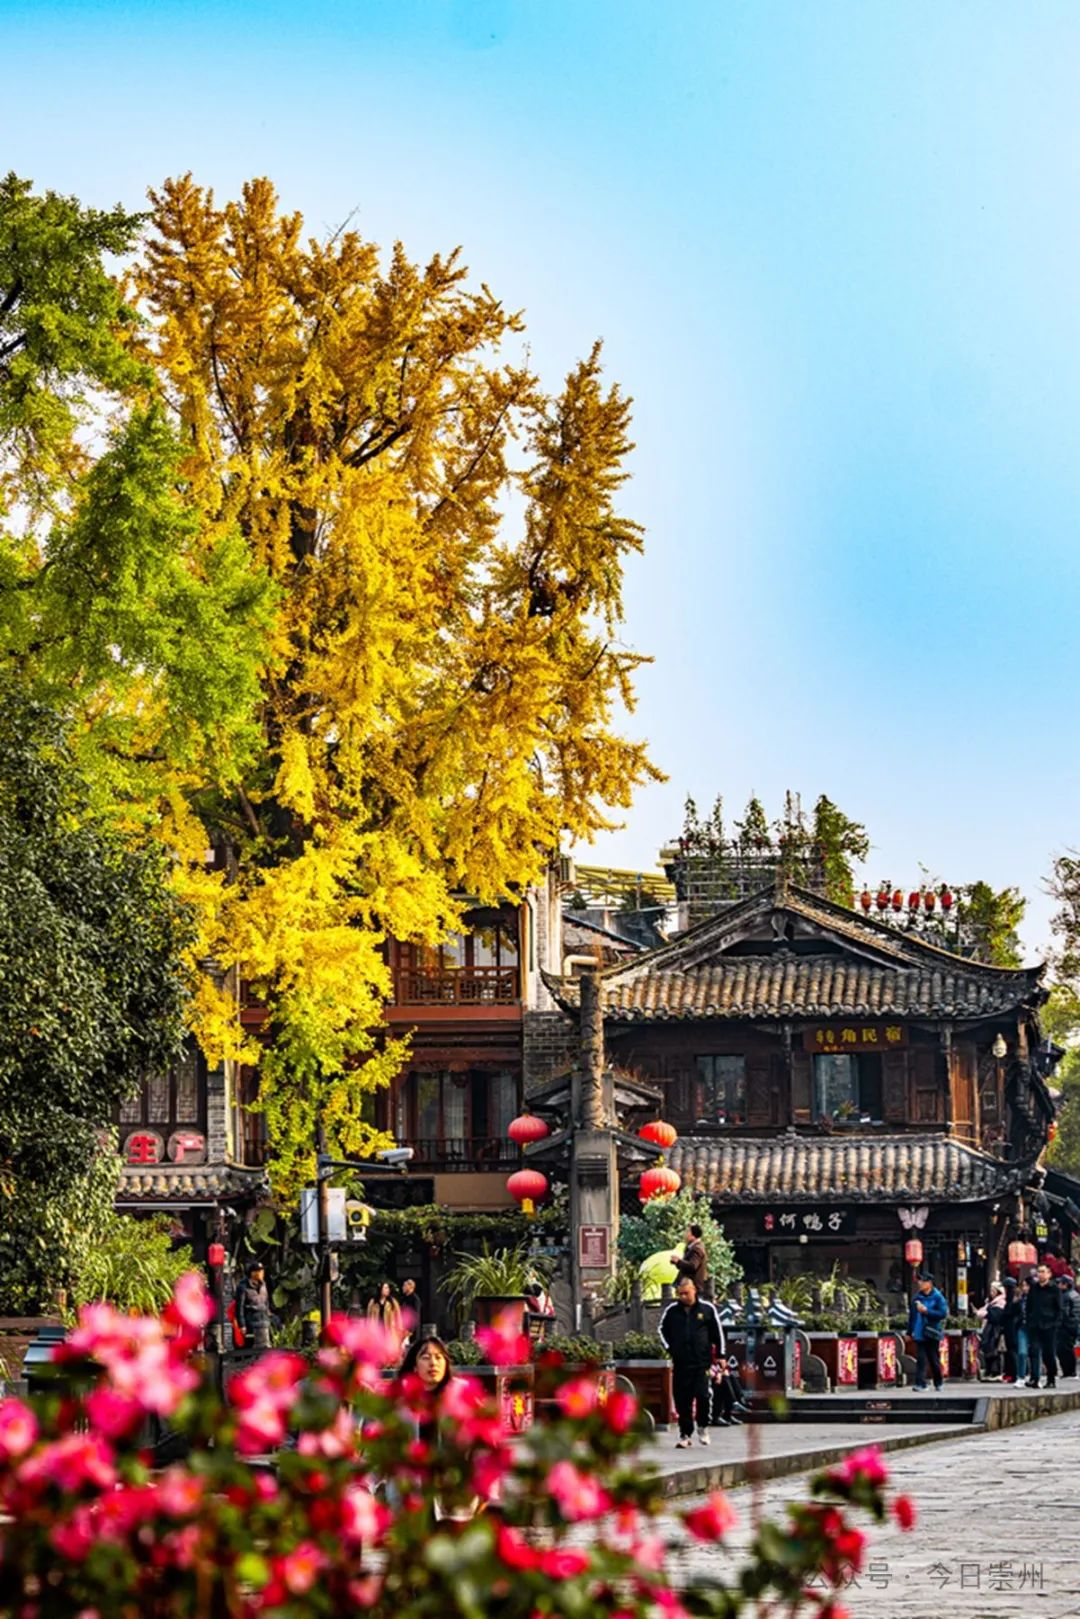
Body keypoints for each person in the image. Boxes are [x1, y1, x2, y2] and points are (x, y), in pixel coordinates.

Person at [659, 1276, 724, 1448]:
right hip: (681, 1362)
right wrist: (671, 1348)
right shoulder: (672, 1311)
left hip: (702, 1362)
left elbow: (717, 1334)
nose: (683, 1297)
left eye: (686, 1293)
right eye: (680, 1294)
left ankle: (702, 1426)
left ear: (694, 1290)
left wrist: (721, 1355)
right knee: (682, 1399)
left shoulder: (707, 1309)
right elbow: (662, 1330)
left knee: (703, 1395)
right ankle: (685, 1433)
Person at [1024, 1262, 1062, 1388]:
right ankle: (1035, 1378)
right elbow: (1029, 1306)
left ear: (1049, 1274)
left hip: (1049, 1326)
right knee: (1034, 1351)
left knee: (1048, 1354)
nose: (1040, 1274)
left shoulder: (1054, 1289)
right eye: (1039, 1272)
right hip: (1035, 1325)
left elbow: (1059, 1308)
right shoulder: (1034, 1288)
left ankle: (1051, 1379)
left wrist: (1055, 1323)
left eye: (1043, 1272)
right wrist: (1029, 1320)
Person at [909, 1273, 948, 1391]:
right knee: (920, 1359)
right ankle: (920, 1384)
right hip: (919, 1332)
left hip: (932, 1332)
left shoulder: (938, 1297)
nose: (920, 1283)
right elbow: (912, 1317)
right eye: (919, 1281)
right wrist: (909, 1331)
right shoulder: (916, 1298)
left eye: (923, 1281)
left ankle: (938, 1382)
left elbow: (942, 1313)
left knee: (933, 1358)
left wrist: (927, 1311)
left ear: (929, 1283)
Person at [235, 1260, 273, 1350]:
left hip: (264, 1319)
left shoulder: (263, 1285)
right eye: (259, 1271)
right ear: (253, 1273)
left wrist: (268, 1313)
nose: (262, 1273)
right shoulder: (243, 1287)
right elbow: (239, 1308)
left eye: (262, 1271)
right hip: (251, 1320)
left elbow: (266, 1302)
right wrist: (242, 1325)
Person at [975, 1283, 1006, 1380]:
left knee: (994, 1351)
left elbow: (994, 1316)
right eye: (991, 1290)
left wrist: (983, 1313)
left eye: (993, 1290)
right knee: (988, 1350)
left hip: (995, 1330)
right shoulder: (990, 1302)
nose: (991, 1292)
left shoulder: (1000, 1302)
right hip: (989, 1329)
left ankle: (995, 1371)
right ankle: (989, 1371)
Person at [672, 1224, 711, 1298]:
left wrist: (678, 1261)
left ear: (693, 1235)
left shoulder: (697, 1248)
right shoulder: (691, 1248)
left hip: (693, 1288)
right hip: (689, 1287)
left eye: (687, 1232)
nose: (685, 1234)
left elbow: (692, 1266)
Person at [1054, 1272, 1079, 1380]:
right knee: (1069, 1348)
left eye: (1060, 1283)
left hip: (1065, 1326)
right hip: (1074, 1325)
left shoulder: (1065, 1296)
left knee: (1063, 1349)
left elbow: (1064, 1312)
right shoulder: (1075, 1294)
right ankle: (1071, 1371)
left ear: (1065, 1284)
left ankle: (1068, 1372)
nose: (1058, 1285)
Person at [1000, 1276, 1020, 1382]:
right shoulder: (1015, 1297)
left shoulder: (1012, 1299)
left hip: (1011, 1327)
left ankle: (1014, 1373)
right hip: (1012, 1327)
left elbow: (1009, 1312)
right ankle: (1012, 1373)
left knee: (1012, 1350)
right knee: (1012, 1351)